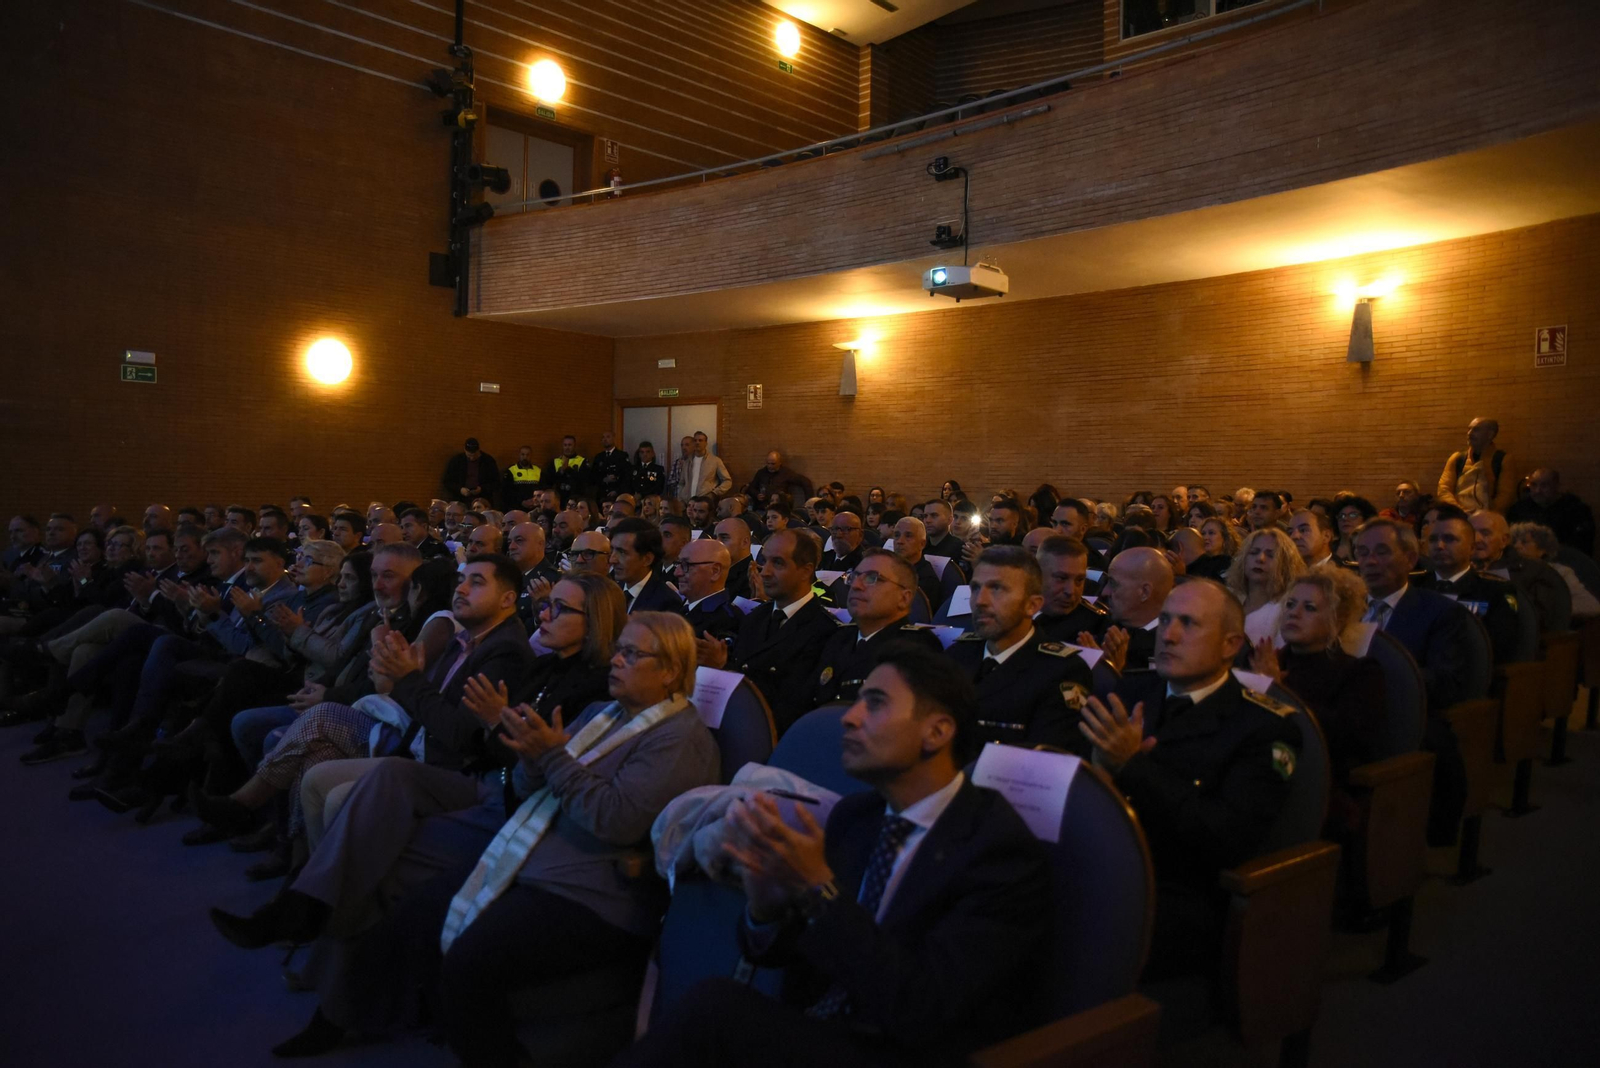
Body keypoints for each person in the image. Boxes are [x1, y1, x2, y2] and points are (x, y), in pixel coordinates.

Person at [614, 645, 1048, 1068]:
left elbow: (923, 1009)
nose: (850, 717)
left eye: (874, 705)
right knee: (712, 1008)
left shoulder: (996, 850)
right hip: (826, 1031)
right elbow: (790, 958)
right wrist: (765, 908)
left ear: (936, 732)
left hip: (905, 1051)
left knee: (713, 1014)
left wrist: (819, 890)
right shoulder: (857, 818)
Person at [1081, 579, 1299, 980]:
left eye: (1189, 624)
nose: (1170, 635)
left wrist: (1134, 766)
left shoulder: (1263, 728)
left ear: (1230, 645)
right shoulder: (1132, 692)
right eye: (1165, 620)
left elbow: (1224, 838)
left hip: (1181, 888)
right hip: (1104, 858)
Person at [1352, 519, 1473, 844]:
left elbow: (1445, 679)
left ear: (1409, 558)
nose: (1370, 562)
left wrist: (1381, 682)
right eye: (1362, 553)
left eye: (1381, 552)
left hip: (1404, 709)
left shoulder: (1439, 612)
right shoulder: (1344, 606)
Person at [1249, 567, 1387, 836]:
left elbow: (1345, 738)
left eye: (1310, 608)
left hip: (1316, 778)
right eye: (1290, 604)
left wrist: (1277, 690)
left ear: (1338, 618)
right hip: (1256, 767)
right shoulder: (1265, 660)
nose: (1294, 613)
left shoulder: (1359, 672)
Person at [948, 546, 1094, 753]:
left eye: (997, 589)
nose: (980, 601)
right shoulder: (958, 655)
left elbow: (1043, 765)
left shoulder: (1062, 672)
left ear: (1032, 605)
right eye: (976, 588)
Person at [697, 529, 840, 734]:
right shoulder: (755, 617)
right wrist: (721, 665)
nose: (765, 571)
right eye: (765, 560)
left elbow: (794, 704)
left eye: (778, 563)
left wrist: (723, 668)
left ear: (806, 571)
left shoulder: (824, 630)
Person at [811, 550, 941, 706]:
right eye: (853, 577)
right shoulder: (839, 638)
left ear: (904, 598)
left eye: (872, 578)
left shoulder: (915, 649)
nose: (856, 586)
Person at [1417, 506, 1523, 662]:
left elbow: (1499, 647)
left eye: (1449, 539)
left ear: (1471, 548)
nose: (1439, 545)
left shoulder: (1496, 591)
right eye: (1433, 539)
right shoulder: (1414, 585)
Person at [1097, 547, 1175, 672]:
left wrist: (1113, 672)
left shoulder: (1171, 646)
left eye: (1113, 584)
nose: (1105, 592)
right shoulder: (1102, 627)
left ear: (1144, 592)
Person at [1226, 527, 1305, 645]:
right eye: (1254, 552)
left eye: (1270, 555)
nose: (1260, 559)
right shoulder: (1229, 598)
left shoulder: (1285, 609)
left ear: (1285, 564)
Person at [1510, 523, 1600, 618]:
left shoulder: (1561, 572)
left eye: (1524, 542)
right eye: (1514, 542)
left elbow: (1592, 606)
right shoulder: (1506, 571)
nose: (1517, 546)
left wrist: (1549, 609)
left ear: (1542, 549)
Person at [1033, 535, 1110, 643]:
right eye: (1061, 578)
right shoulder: (1012, 610)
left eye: (1079, 580)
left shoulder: (1095, 628)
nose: (1071, 591)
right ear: (1037, 574)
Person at [1437, 417, 1517, 514]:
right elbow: (1444, 489)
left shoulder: (1503, 460)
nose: (1469, 433)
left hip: (1488, 519)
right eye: (1469, 429)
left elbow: (1506, 495)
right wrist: (1459, 512)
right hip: (1459, 516)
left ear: (1490, 434)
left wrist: (1487, 515)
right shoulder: (1457, 458)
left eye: (1476, 430)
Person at [1506, 469, 1595, 556]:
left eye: (1544, 486)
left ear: (1557, 486)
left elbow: (1582, 545)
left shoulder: (1577, 510)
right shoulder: (1519, 509)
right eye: (1533, 485)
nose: (1538, 491)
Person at [674, 538, 745, 642]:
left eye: (686, 565)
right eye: (678, 564)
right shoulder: (682, 608)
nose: (677, 573)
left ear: (715, 571)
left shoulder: (725, 621)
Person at [609, 518, 683, 615]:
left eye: (622, 552)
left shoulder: (666, 602)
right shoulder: (611, 592)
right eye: (612, 550)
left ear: (647, 559)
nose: (612, 560)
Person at [675, 431, 734, 504]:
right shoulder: (687, 461)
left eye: (700, 440)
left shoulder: (715, 461)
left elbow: (727, 481)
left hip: (705, 503)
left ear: (706, 443)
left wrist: (713, 494)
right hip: (687, 503)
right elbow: (681, 483)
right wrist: (680, 499)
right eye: (695, 440)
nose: (697, 442)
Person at [744, 449, 814, 509]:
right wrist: (757, 494)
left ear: (779, 463)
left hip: (780, 507)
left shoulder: (786, 473)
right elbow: (751, 488)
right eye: (768, 463)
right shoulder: (761, 473)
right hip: (762, 507)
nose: (770, 466)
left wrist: (808, 501)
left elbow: (805, 482)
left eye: (773, 464)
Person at [442, 438, 499, 505]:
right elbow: (447, 481)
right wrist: (460, 489)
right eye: (469, 456)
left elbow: (496, 483)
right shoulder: (457, 461)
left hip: (483, 500)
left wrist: (482, 489)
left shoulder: (488, 461)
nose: (472, 458)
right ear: (465, 450)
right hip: (461, 500)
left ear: (479, 450)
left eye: (474, 455)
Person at [1331, 495, 1378, 563]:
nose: (1346, 519)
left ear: (1365, 519)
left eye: (1353, 515)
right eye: (1341, 516)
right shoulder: (1328, 548)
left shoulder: (1371, 547)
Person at [546, 435, 589, 504]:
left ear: (574, 446)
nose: (567, 448)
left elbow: (585, 479)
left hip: (576, 498)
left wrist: (569, 469)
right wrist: (561, 471)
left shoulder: (582, 461)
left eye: (569, 445)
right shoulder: (555, 461)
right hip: (559, 498)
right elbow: (549, 480)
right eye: (565, 445)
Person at [501, 445, 543, 511]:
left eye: (527, 455)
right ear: (519, 455)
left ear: (531, 456)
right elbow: (507, 491)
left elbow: (543, 488)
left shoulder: (538, 470)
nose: (525, 457)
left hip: (535, 507)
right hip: (516, 507)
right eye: (522, 454)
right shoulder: (511, 470)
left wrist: (534, 501)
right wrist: (521, 502)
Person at [591, 430, 632, 497]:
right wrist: (604, 479)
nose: (605, 439)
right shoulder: (599, 457)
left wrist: (617, 491)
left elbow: (627, 476)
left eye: (608, 437)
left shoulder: (621, 456)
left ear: (614, 439)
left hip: (616, 493)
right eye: (603, 437)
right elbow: (593, 476)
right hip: (602, 493)